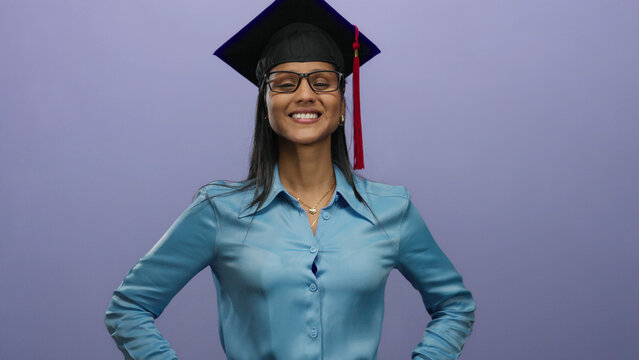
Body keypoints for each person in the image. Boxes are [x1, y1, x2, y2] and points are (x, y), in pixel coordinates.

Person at [104, 0, 476, 359]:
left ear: (342, 104)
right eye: (284, 84)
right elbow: (130, 307)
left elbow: (454, 305)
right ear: (265, 105)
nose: (304, 95)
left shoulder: (391, 211)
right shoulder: (218, 212)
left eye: (321, 82)